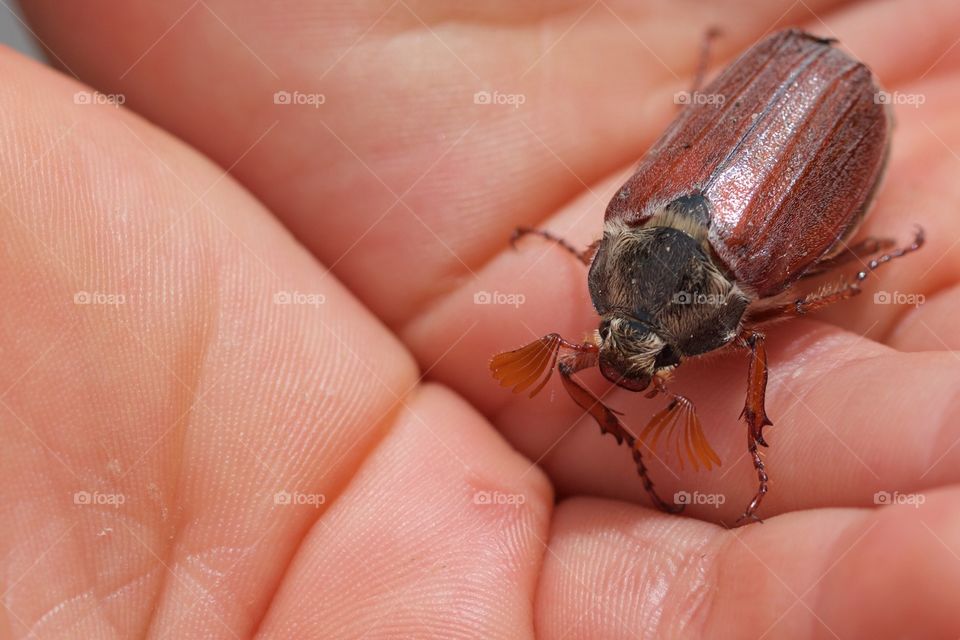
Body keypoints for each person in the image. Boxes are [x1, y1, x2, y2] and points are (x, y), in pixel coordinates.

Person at [3, 0, 960, 637]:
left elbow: (774, 317)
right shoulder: (629, 233)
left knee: (808, 291)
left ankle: (864, 273)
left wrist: (868, 274)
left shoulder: (712, 279)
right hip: (770, 88)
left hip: (841, 118)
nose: (622, 361)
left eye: (642, 353)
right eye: (634, 350)